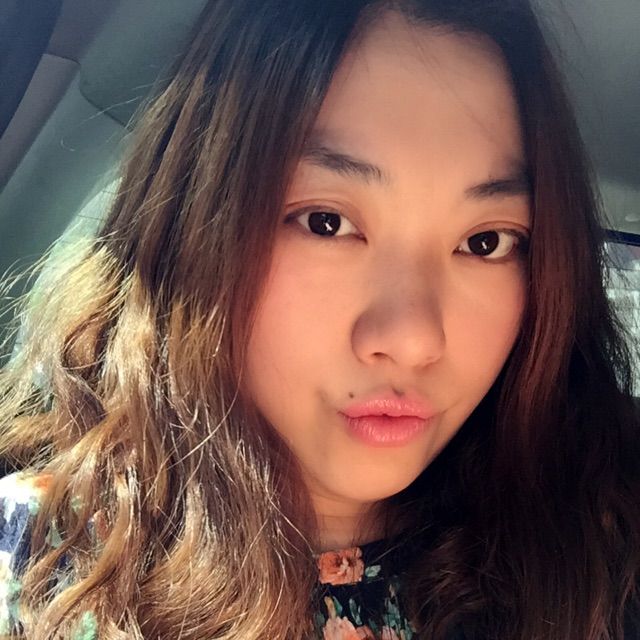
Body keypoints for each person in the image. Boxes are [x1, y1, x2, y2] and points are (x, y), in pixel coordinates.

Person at [0, 0, 638, 638]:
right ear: (195, 230)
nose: (414, 339)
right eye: (326, 223)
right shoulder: (39, 561)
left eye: (485, 242)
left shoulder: (599, 547)